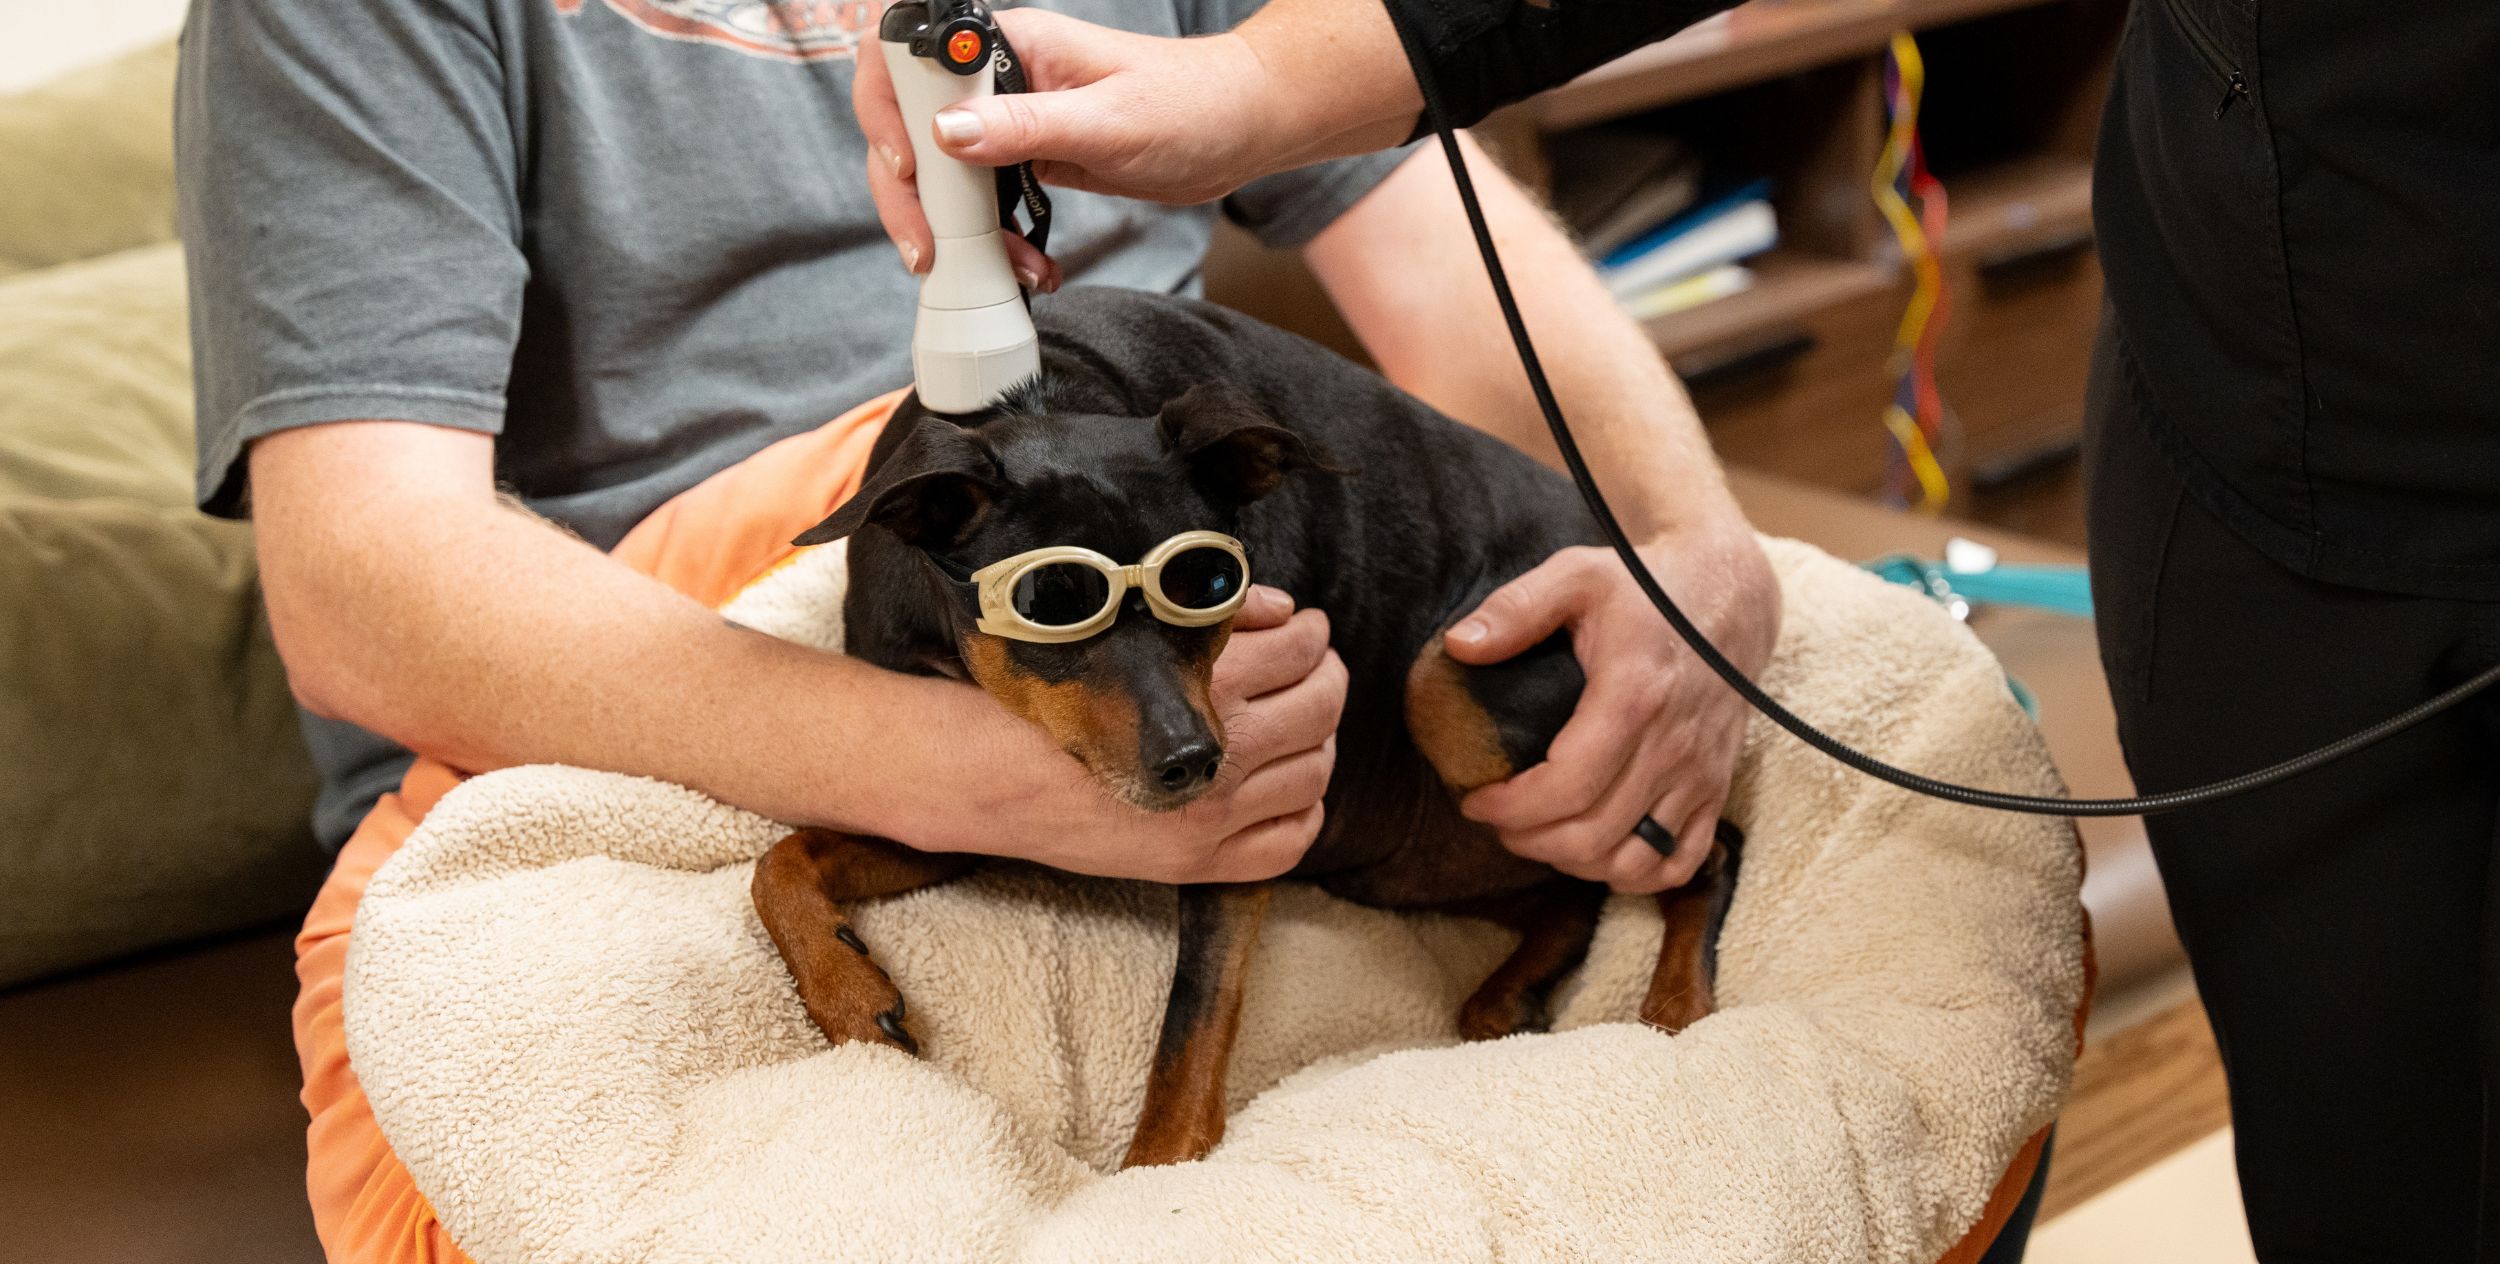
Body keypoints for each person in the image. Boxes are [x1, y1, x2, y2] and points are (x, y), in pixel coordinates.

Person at [862, 0, 2500, 1264]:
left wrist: (1698, 554)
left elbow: (1426, 232)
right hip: (2277, 404)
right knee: (2377, 1199)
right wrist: (955, 774)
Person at [177, 0, 1777, 910]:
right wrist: (978, 776)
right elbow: (361, 585)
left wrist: (1686, 554)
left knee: (1910, 821)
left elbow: (1450, 268)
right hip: (684, 711)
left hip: (1176, 677)